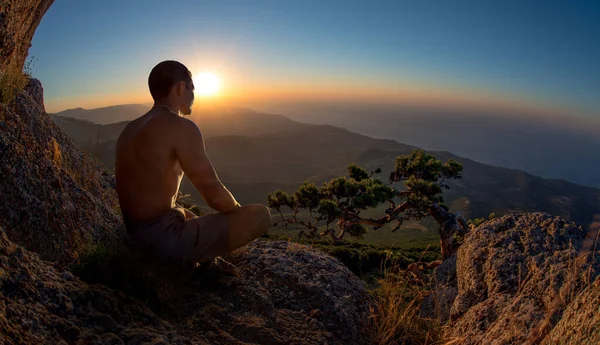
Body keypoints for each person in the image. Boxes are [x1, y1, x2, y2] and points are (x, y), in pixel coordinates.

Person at [115, 60, 272, 266]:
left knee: (186, 213)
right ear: (181, 87)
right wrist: (237, 212)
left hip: (134, 233)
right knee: (260, 215)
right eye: (192, 89)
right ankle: (195, 261)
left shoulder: (129, 130)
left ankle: (203, 257)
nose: (194, 97)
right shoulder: (181, 127)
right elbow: (213, 193)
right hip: (163, 242)